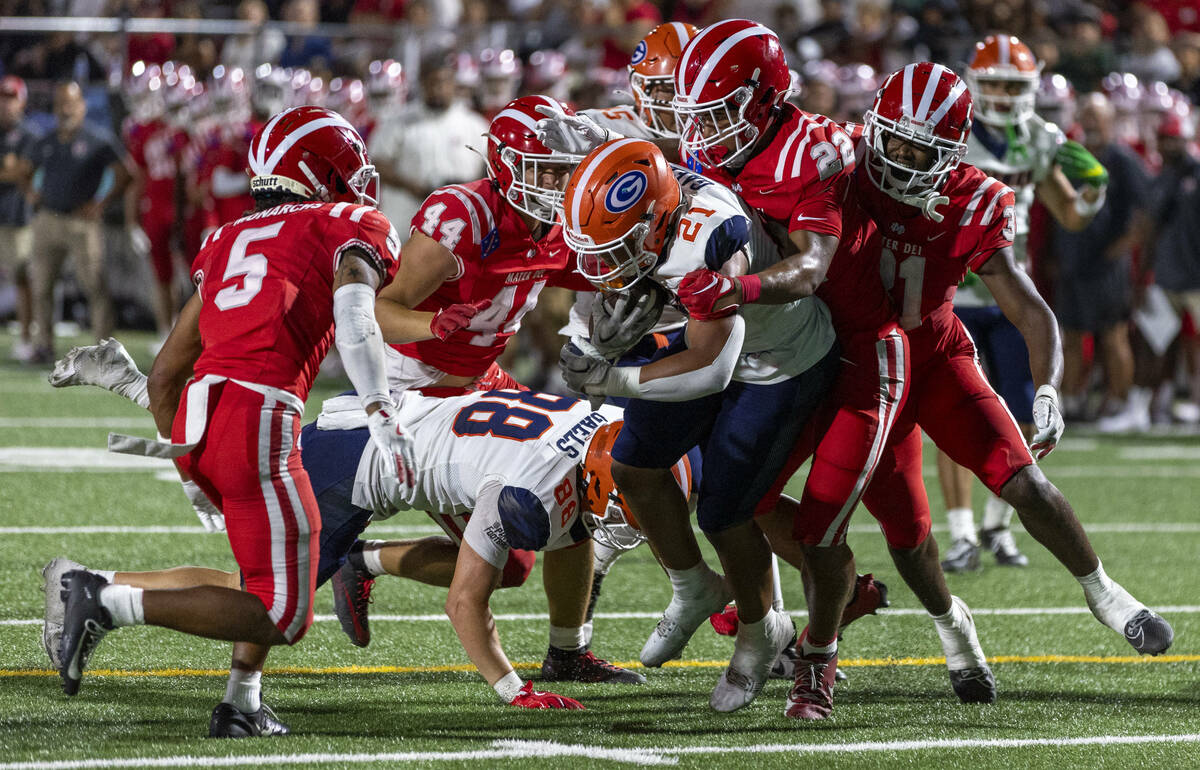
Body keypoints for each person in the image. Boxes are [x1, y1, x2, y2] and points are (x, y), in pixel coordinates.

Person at [688, 61, 1174, 718]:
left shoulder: (972, 196)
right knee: (903, 536)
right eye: (899, 140)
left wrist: (1048, 388)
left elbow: (1028, 305)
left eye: (926, 149)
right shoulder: (834, 170)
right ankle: (952, 629)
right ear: (875, 128)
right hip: (846, 369)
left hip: (937, 362)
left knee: (1021, 479)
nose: (907, 158)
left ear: (953, 150)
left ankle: (1105, 591)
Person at [53, 106, 418, 738]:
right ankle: (104, 599)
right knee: (285, 613)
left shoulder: (226, 238)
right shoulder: (344, 221)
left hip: (200, 417)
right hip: (261, 423)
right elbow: (357, 315)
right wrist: (381, 411)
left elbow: (168, 371)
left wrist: (192, 466)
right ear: (321, 171)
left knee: (263, 577)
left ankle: (241, 704)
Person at [665, 25, 989, 721]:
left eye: (718, 111)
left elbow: (812, 269)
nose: (703, 131)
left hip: (860, 355)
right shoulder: (710, 146)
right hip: (784, 353)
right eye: (697, 115)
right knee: (734, 502)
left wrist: (735, 292)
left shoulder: (810, 150)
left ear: (761, 101)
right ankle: (839, 600)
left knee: (836, 528)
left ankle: (817, 661)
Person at [44, 367, 649, 712]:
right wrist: (514, 691)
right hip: (346, 466)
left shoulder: (602, 427)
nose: (632, 517)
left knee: (546, 543)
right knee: (269, 605)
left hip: (396, 434)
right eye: (625, 504)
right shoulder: (529, 490)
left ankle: (240, 696)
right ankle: (98, 590)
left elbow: (576, 528)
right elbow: (465, 603)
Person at [557, 136, 840, 713]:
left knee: (724, 512)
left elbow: (714, 368)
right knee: (634, 467)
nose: (607, 263)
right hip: (702, 341)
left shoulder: (709, 240)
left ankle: (762, 635)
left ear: (657, 222)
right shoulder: (634, 214)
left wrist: (609, 380)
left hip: (773, 363)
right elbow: (599, 286)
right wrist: (588, 337)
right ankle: (693, 587)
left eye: (617, 247)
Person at [939, 34, 1108, 573]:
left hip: (1013, 293)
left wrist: (1092, 193)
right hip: (955, 289)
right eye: (994, 82)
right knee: (956, 411)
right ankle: (961, 533)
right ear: (975, 81)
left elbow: (1069, 215)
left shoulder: (1040, 138)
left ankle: (996, 524)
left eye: (1014, 84)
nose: (1005, 94)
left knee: (1022, 413)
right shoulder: (955, 133)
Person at [1051, 92, 1153, 431]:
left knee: (1113, 335)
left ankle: (1122, 404)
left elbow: (1145, 212)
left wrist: (1120, 249)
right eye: (1087, 116)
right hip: (1074, 261)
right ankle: (1075, 402)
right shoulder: (1072, 157)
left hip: (1108, 266)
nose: (1091, 123)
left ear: (1111, 121)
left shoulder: (1122, 159)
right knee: (1073, 335)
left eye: (1097, 117)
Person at [25, 81, 137, 363]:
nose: (65, 109)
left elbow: (126, 173)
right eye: (60, 104)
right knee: (41, 286)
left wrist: (101, 204)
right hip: (48, 219)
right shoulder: (46, 141)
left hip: (81, 222)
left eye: (70, 103)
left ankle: (103, 350)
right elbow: (25, 171)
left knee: (95, 286)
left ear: (82, 106)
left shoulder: (98, 139)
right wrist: (31, 193)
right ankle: (43, 345)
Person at [368, 56, 490, 239]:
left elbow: (489, 169)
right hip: (406, 224)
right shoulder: (397, 122)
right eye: (431, 82)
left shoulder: (475, 125)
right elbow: (377, 163)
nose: (437, 88)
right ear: (421, 84)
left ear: (453, 84)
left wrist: (465, 190)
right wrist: (415, 187)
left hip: (461, 226)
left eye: (443, 82)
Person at [0, 75, 38, 362]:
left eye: (11, 98)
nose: (5, 104)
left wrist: (13, 171)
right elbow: (12, 171)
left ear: (22, 101)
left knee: (22, 277)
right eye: (3, 97)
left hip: (18, 216)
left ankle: (27, 338)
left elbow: (21, 173)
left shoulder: (28, 135)